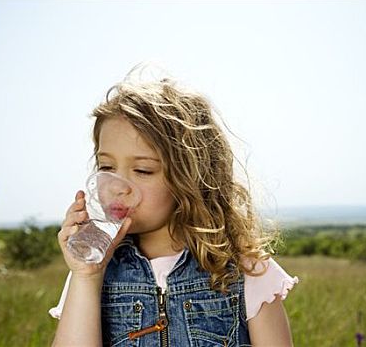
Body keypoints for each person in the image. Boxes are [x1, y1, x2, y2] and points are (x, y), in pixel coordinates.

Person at [50, 68, 299, 346]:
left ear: (191, 176)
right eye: (106, 167)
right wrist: (86, 277)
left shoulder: (246, 271)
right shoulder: (91, 274)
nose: (117, 185)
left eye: (143, 170)